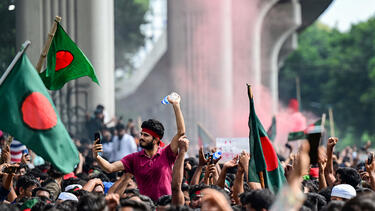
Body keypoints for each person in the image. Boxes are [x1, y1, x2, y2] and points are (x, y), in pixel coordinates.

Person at [92, 93, 185, 201]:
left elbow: (181, 132)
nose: (141, 137)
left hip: (165, 207)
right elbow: (109, 168)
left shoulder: (167, 153)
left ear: (156, 140)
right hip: (144, 207)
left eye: (146, 135)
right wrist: (97, 157)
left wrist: (176, 105)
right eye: (141, 134)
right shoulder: (134, 158)